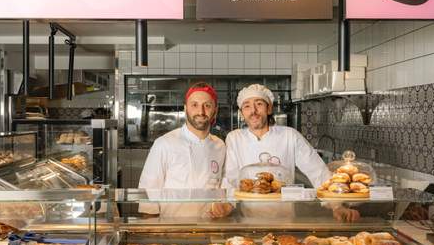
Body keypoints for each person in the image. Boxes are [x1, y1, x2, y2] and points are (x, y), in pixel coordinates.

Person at [217, 84, 359, 222]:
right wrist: (227, 204)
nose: (253, 110)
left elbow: (317, 170)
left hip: (283, 219)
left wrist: (337, 205)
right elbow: (230, 177)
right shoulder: (235, 138)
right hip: (248, 219)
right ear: (242, 113)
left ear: (269, 108)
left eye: (259, 104)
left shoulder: (289, 135)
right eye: (247, 106)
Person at [138, 82, 227, 217]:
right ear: (186, 109)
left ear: (215, 110)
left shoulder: (220, 146)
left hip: (210, 227)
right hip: (172, 229)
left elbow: (223, 187)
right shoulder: (165, 143)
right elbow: (148, 195)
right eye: (194, 105)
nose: (201, 112)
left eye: (207, 105)